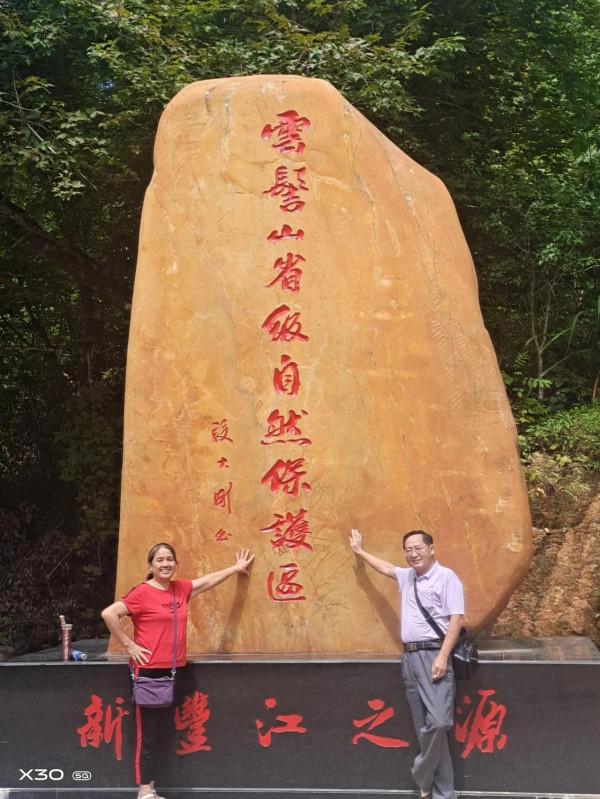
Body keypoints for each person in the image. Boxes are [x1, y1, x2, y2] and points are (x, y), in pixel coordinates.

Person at [102, 542, 255, 799]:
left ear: (175, 563)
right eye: (159, 560)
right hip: (148, 673)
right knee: (147, 735)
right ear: (151, 566)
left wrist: (235, 568)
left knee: (165, 733)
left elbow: (206, 582)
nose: (165, 564)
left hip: (174, 672)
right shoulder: (142, 592)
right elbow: (109, 613)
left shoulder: (179, 589)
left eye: (169, 559)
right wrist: (129, 645)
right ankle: (145, 791)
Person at [348, 528, 464, 799]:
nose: (413, 554)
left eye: (418, 548)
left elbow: (456, 620)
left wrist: (443, 656)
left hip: (434, 656)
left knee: (438, 722)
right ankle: (443, 793)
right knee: (421, 723)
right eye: (408, 549)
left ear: (432, 549)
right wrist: (360, 552)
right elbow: (387, 568)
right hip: (409, 658)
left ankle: (421, 773)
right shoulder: (407, 577)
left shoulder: (447, 578)